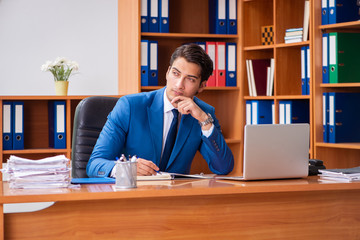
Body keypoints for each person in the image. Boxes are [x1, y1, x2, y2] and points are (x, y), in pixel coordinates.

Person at [87, 43, 234, 177]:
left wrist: (204, 121)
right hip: (133, 196)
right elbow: (94, 165)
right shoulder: (130, 106)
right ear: (167, 72)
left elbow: (223, 168)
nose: (179, 84)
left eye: (190, 79)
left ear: (201, 86)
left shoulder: (203, 114)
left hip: (175, 200)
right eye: (176, 74)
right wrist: (125, 168)